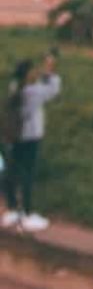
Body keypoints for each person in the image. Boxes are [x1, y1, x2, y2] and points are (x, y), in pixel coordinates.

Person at [2, 52, 62, 232]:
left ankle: (12, 209)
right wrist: (50, 70)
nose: (36, 72)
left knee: (11, 171)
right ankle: (27, 214)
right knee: (28, 174)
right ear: (28, 74)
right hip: (30, 138)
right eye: (33, 70)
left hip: (13, 137)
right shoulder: (33, 92)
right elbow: (53, 90)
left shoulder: (15, 87)